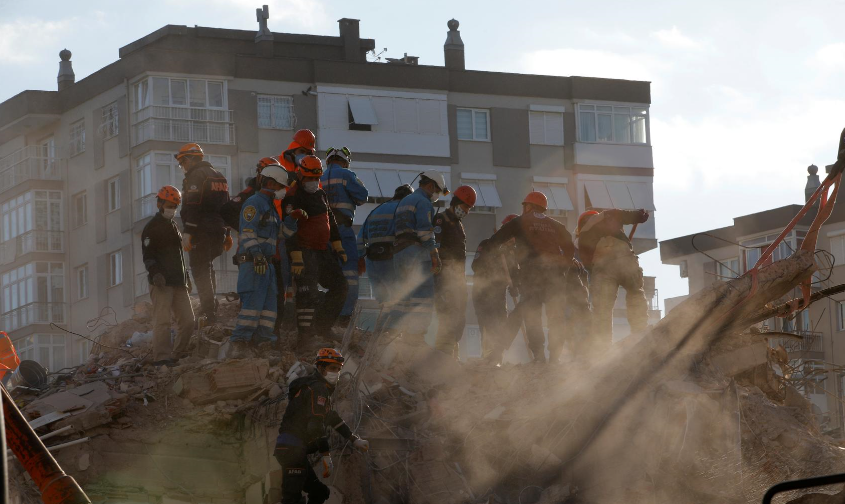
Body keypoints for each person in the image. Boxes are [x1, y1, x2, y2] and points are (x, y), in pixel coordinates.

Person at [484, 191, 587, 363]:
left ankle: (538, 356)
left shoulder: (520, 221)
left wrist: (490, 249)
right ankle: (554, 357)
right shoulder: (556, 224)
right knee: (556, 318)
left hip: (532, 276)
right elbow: (569, 247)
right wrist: (563, 266)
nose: (524, 209)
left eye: (525, 206)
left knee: (532, 317)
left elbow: (496, 239)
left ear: (529, 206)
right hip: (555, 277)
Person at [274, 348, 370, 504]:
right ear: (320, 367)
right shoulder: (318, 388)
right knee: (291, 499)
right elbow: (315, 426)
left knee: (320, 492)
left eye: (338, 369)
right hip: (292, 450)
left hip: (292, 450)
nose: (336, 373)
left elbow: (331, 417)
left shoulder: (312, 387)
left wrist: (354, 439)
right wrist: (326, 455)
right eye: (332, 368)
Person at [229, 163, 292, 359]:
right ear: (271, 183)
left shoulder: (271, 207)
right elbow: (247, 232)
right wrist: (257, 255)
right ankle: (239, 344)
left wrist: (293, 218)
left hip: (267, 264)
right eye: (281, 186)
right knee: (252, 306)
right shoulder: (254, 203)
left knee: (269, 309)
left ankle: (264, 343)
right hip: (254, 263)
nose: (283, 191)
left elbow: (282, 234)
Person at [283, 155, 348, 339]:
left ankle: (323, 327)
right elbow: (289, 228)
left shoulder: (320, 194)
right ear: (300, 175)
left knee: (340, 286)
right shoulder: (293, 196)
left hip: (322, 251)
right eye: (310, 178)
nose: (313, 182)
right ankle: (305, 338)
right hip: (303, 251)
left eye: (317, 178)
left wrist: (338, 245)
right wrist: (296, 256)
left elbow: (330, 220)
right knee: (307, 293)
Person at [576, 208, 650, 355]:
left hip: (603, 269)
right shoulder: (602, 217)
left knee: (602, 308)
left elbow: (587, 263)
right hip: (626, 260)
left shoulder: (582, 236)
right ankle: (639, 330)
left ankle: (603, 347)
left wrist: (596, 274)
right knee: (635, 293)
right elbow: (618, 214)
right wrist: (638, 216)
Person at [392, 171, 449, 345]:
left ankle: (399, 335)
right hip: (416, 252)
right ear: (430, 186)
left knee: (405, 295)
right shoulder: (423, 202)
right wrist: (434, 254)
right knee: (423, 296)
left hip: (399, 253)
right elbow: (424, 232)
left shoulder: (404, 201)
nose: (437, 195)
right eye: (437, 190)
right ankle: (416, 337)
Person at [177, 143, 232, 324]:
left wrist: (188, 231)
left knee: (200, 268)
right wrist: (228, 233)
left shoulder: (196, 176)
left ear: (191, 158)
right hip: (218, 231)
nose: (182, 166)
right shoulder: (219, 176)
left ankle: (208, 312)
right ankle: (211, 306)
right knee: (208, 266)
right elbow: (227, 207)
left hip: (201, 230)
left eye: (183, 162)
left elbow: (193, 205)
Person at [141, 186, 195, 366]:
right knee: (162, 321)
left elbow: (179, 257)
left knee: (188, 321)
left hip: (179, 282)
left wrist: (186, 278)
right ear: (159, 204)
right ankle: (162, 358)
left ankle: (177, 354)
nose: (172, 209)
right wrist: (155, 273)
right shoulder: (151, 228)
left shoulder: (174, 226)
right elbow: (148, 255)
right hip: (162, 283)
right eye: (169, 205)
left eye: (175, 206)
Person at [321, 147, 369, 327]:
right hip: (342, 230)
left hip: (323, 232)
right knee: (349, 272)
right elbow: (362, 196)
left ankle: (328, 315)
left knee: (329, 274)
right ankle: (345, 316)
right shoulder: (347, 175)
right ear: (345, 162)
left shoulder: (319, 177)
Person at [357, 184, 414, 334]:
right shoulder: (403, 210)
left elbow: (360, 239)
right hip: (391, 260)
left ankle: (382, 332)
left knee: (384, 303)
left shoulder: (375, 211)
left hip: (372, 263)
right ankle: (391, 333)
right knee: (399, 298)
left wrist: (360, 257)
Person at [432, 185, 476, 356]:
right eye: (465, 206)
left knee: (458, 317)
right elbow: (435, 249)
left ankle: (451, 352)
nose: (466, 211)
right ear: (456, 202)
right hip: (445, 277)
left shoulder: (459, 225)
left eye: (469, 208)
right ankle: (443, 353)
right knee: (447, 316)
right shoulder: (441, 219)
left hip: (457, 278)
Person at [472, 214, 521, 365]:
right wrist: (493, 255)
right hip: (483, 292)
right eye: (510, 236)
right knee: (488, 324)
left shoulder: (512, 252)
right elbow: (476, 266)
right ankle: (488, 359)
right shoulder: (487, 244)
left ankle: (497, 359)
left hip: (500, 295)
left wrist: (514, 286)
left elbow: (514, 274)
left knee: (501, 325)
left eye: (514, 238)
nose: (512, 240)